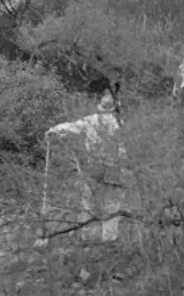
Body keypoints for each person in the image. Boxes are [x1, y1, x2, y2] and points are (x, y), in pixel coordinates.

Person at [45, 92, 125, 241]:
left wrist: (54, 130)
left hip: (93, 166)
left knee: (89, 201)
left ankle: (86, 234)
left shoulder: (90, 121)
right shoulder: (119, 124)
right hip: (112, 168)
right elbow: (123, 150)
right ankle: (109, 237)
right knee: (111, 203)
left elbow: (71, 127)